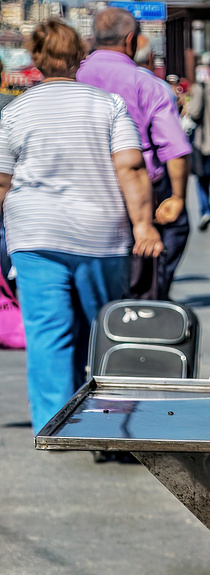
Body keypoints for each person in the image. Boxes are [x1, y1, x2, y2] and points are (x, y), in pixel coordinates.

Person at [0, 19, 162, 432]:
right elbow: (130, 166)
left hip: (35, 236)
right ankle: (107, 420)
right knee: (102, 329)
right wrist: (143, 225)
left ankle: (54, 426)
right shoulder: (107, 105)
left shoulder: (14, 112)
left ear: (35, 61)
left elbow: (1, 181)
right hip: (100, 234)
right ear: (80, 57)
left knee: (49, 333)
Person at [78, 5, 191, 302]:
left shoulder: (74, 77)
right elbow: (174, 149)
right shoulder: (147, 84)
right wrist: (177, 197)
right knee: (168, 237)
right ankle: (149, 305)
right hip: (142, 192)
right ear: (130, 41)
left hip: (85, 189)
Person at [184, 60, 210, 231]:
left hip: (204, 141)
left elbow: (195, 112)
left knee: (202, 179)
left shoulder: (202, 87)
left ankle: (206, 210)